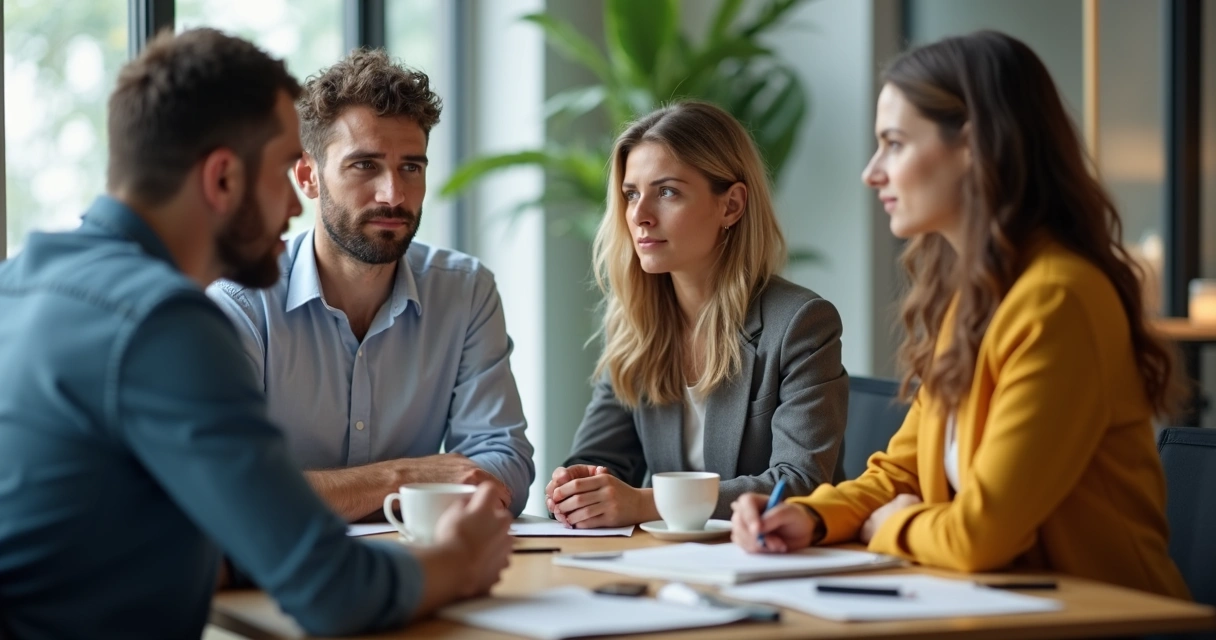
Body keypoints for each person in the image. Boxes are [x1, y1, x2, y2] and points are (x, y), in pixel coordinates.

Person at [0, 29, 513, 639]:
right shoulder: (162, 322)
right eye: (279, 170)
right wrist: (462, 560)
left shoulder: (21, 281)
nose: (295, 208)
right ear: (222, 180)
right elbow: (332, 591)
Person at [729, 30, 1190, 599]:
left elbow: (980, 535)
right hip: (1005, 608)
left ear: (974, 145)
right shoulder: (977, 301)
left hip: (1110, 620)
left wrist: (888, 524)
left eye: (894, 143)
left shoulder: (1056, 300)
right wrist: (809, 517)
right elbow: (899, 474)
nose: (872, 172)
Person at [206, 49, 534, 520]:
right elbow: (235, 488)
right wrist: (404, 479)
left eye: (411, 168)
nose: (394, 195)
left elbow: (506, 465)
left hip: (429, 567)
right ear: (308, 176)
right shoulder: (241, 304)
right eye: (365, 166)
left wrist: (322, 494)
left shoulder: (465, 292)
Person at [546, 101, 848, 529]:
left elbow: (799, 485)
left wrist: (649, 504)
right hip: (669, 570)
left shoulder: (801, 324)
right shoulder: (638, 326)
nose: (640, 215)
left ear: (731, 206)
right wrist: (579, 487)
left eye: (666, 191)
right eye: (631, 194)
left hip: (773, 563)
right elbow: (601, 459)